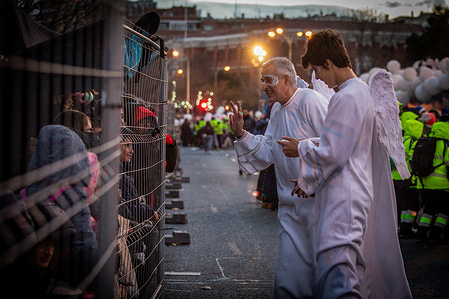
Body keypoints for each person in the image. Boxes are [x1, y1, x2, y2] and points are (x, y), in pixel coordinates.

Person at [280, 29, 411, 298]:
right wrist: (309, 169)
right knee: (349, 268)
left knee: (337, 270)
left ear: (328, 63)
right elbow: (345, 140)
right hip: (355, 189)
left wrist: (301, 147)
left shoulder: (346, 96)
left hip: (345, 194)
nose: (320, 80)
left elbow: (334, 152)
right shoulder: (361, 91)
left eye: (319, 70)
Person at [229, 57, 329, 298]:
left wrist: (304, 151)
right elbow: (270, 150)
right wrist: (241, 133)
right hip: (289, 209)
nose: (264, 86)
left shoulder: (311, 101)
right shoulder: (276, 109)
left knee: (322, 274)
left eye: (269, 80)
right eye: (262, 80)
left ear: (287, 79)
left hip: (318, 208)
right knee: (288, 276)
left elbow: (335, 146)